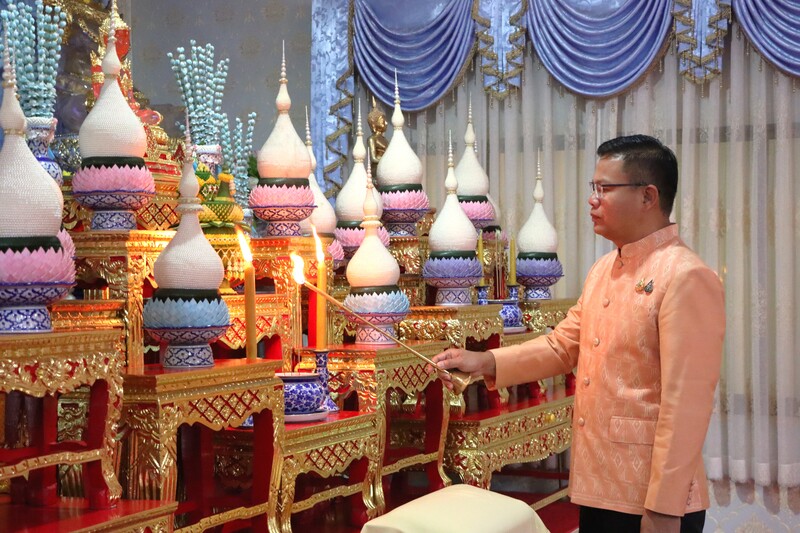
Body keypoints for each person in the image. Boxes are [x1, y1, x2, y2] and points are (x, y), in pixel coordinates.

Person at [432, 135, 725, 533]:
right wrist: (485, 361)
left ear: (648, 196)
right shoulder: (604, 269)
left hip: (651, 499)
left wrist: (665, 507)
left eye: (605, 188)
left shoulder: (686, 275)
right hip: (597, 485)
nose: (593, 199)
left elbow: (687, 405)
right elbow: (561, 345)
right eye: (593, 188)